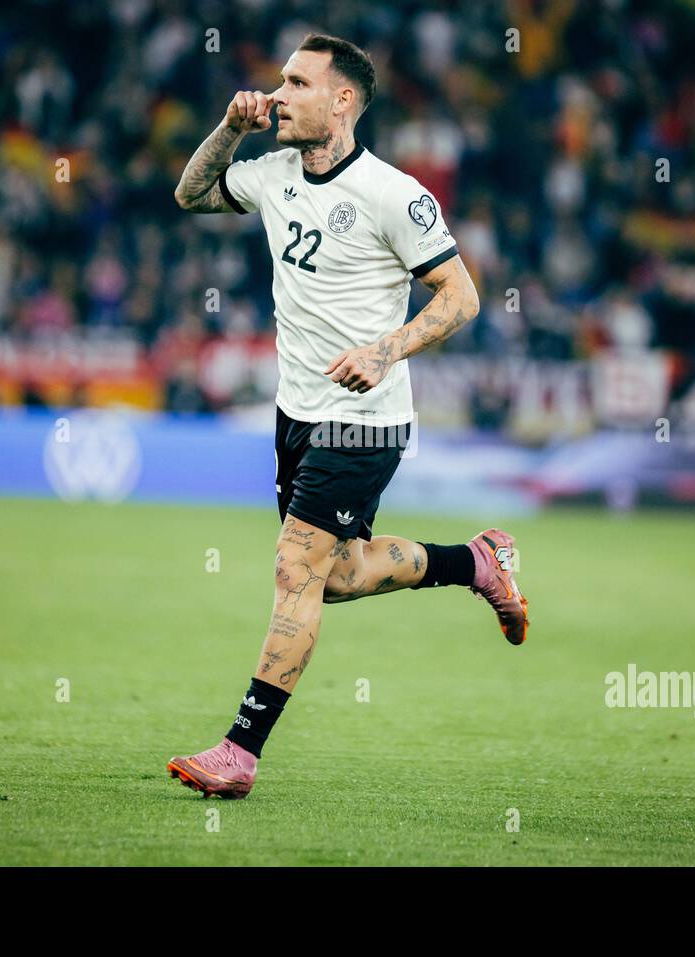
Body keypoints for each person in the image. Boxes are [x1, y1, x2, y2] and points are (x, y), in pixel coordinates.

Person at [168, 33, 528, 799]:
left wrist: (387, 348)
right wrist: (230, 128)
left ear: (342, 101)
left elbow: (461, 296)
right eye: (280, 80)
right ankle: (477, 562)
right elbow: (190, 195)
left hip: (362, 419)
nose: (279, 93)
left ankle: (240, 750)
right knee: (334, 576)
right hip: (295, 412)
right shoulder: (270, 174)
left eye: (297, 82)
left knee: (292, 567)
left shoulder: (394, 195)